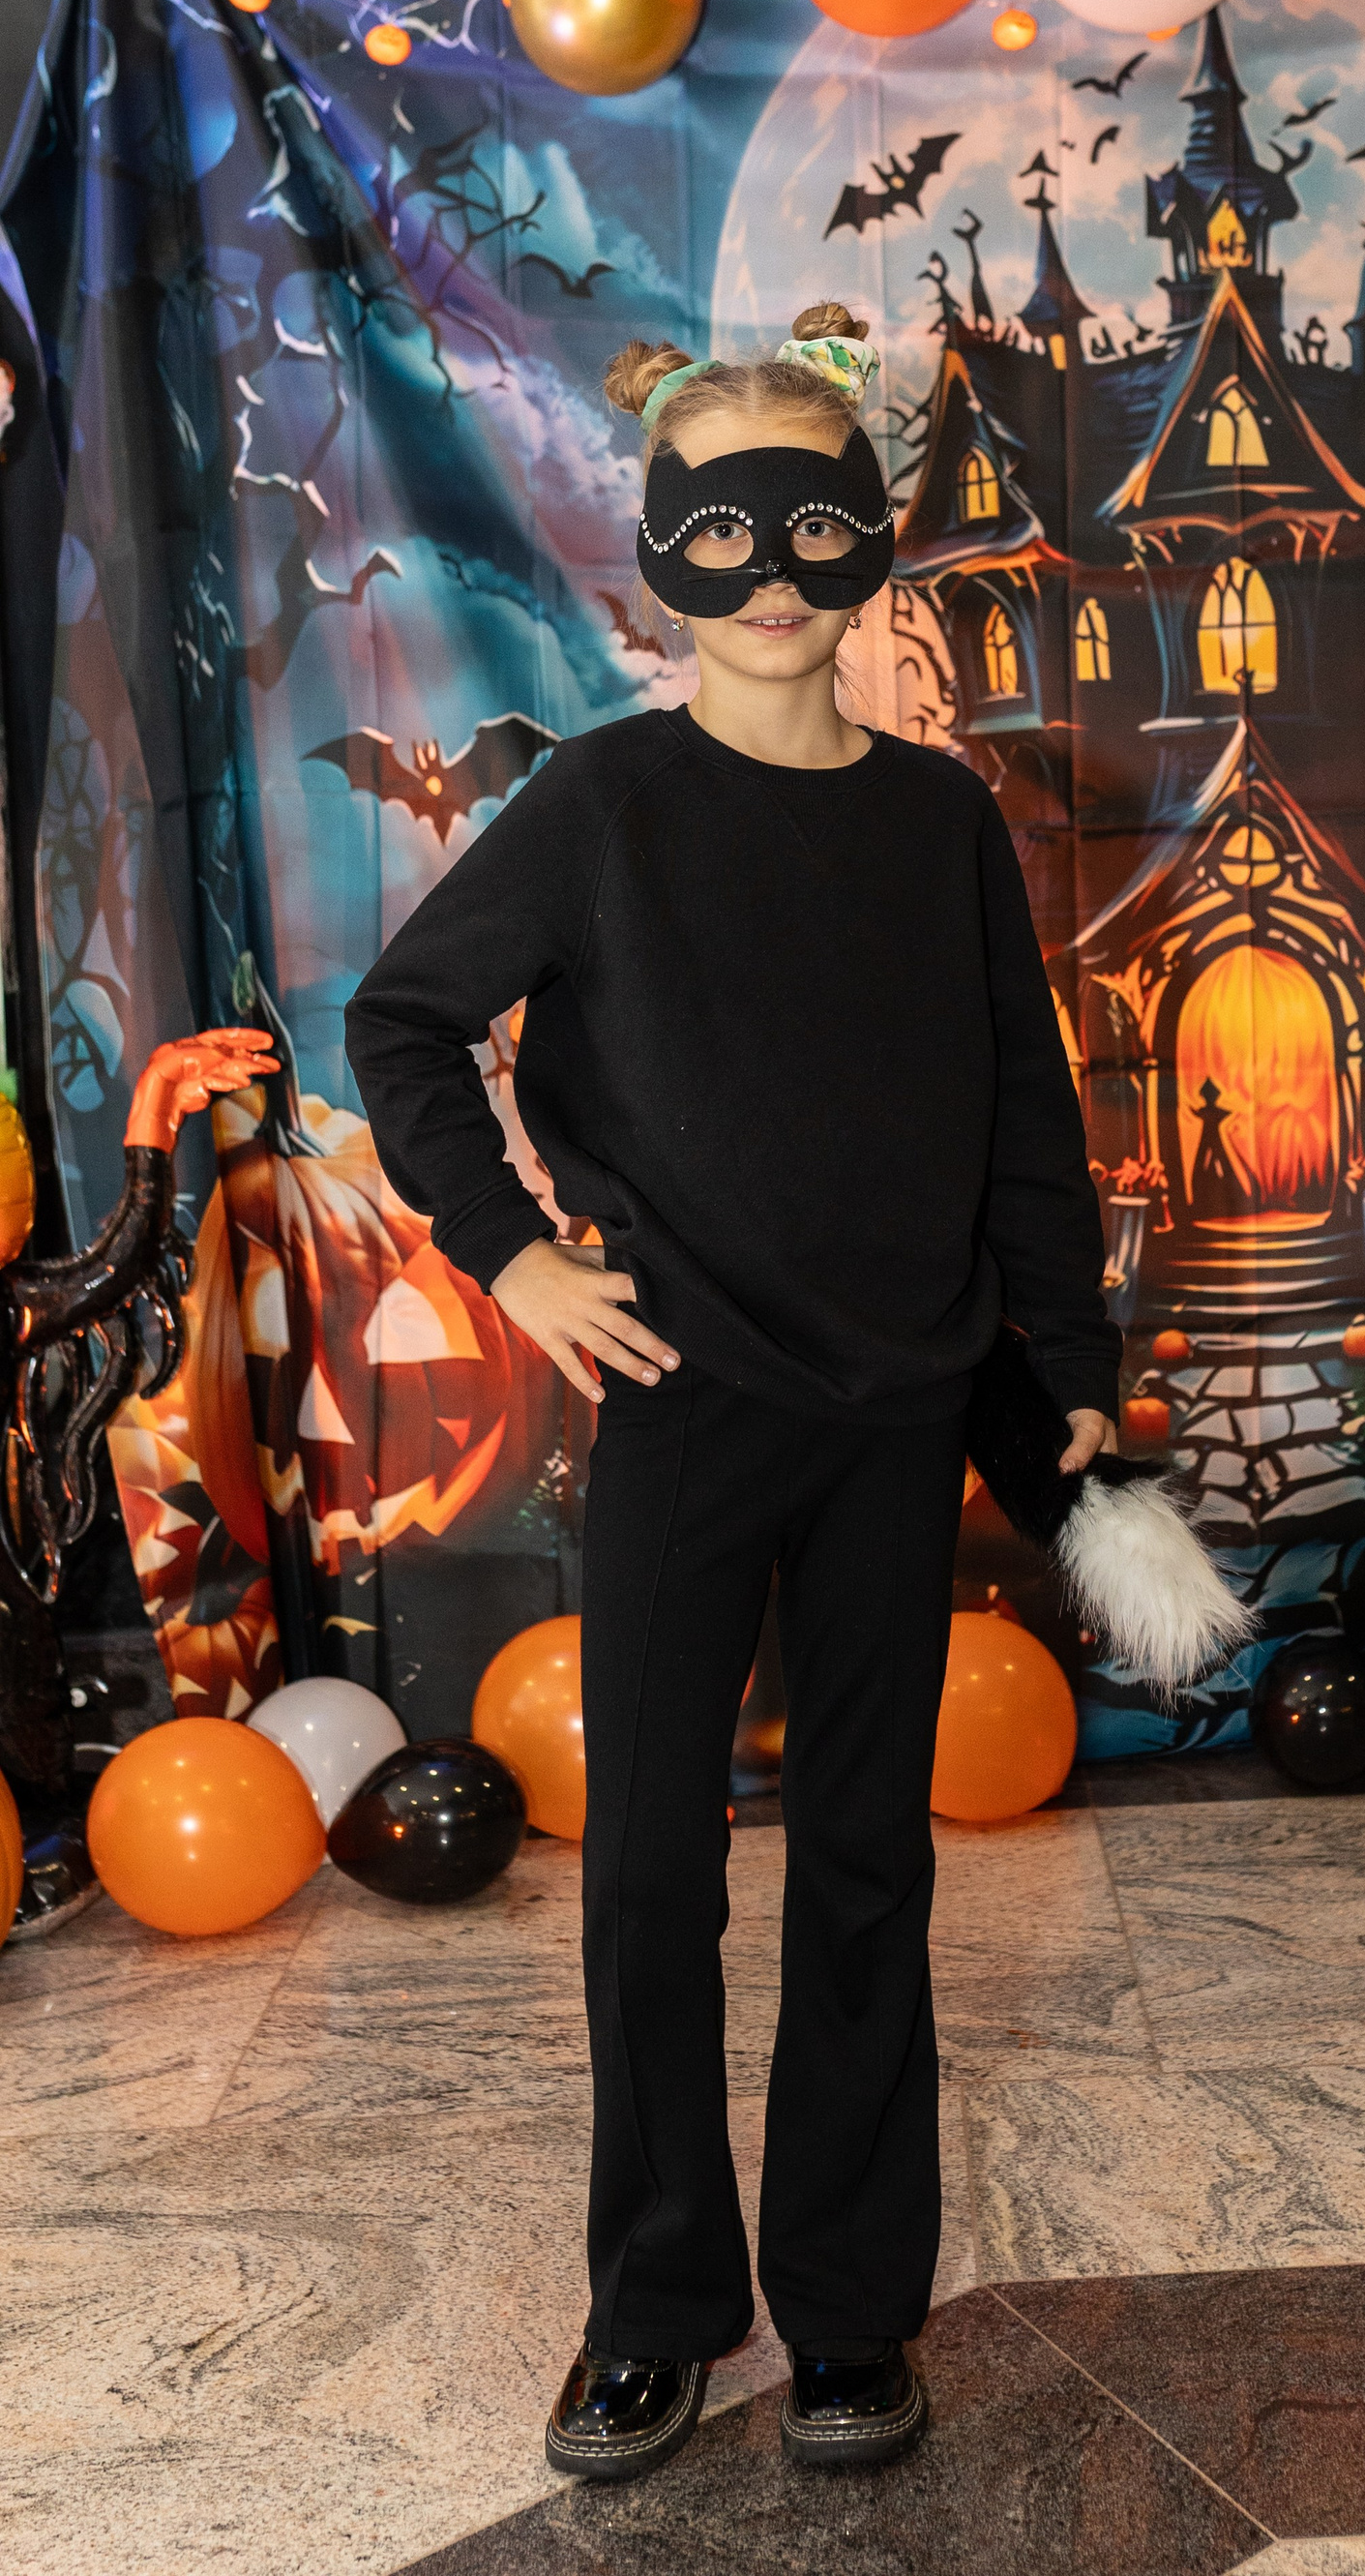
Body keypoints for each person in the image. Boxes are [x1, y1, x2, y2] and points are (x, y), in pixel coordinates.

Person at [344, 301, 1120, 2481]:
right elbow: (404, 1025)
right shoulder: (602, 805)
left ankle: (853, 2310)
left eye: (812, 526)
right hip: (687, 1410)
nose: (773, 575)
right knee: (650, 1877)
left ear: (871, 541)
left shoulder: (941, 824)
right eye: (723, 532)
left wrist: (1065, 1360)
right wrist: (510, 1254)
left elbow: (1023, 1113)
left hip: (898, 1416)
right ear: (660, 558)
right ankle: (660, 2306)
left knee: (867, 1863)